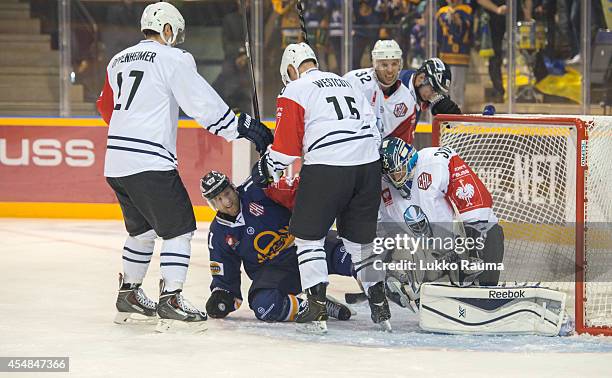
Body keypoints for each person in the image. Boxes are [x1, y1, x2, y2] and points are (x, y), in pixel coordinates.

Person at [96, 2, 274, 329]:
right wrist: (241, 127)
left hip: (116, 160)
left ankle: (130, 294)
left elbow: (106, 108)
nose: (176, 40)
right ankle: (172, 298)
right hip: (149, 158)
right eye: (174, 34)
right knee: (180, 228)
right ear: (166, 29)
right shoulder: (173, 58)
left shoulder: (117, 60)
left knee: (143, 230)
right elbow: (201, 104)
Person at [251, 42, 389, 332]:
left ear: (290, 69)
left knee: (308, 238)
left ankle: (315, 307)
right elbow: (374, 126)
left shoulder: (295, 89)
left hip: (328, 165)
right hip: (368, 166)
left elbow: (286, 150)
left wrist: (265, 168)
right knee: (358, 241)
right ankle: (379, 301)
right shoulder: (345, 82)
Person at [201, 171, 353, 322]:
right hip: (276, 271)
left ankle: (375, 293)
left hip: (304, 244)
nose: (227, 202)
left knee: (352, 254)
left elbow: (297, 193)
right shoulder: (218, 234)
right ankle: (315, 305)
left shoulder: (257, 188)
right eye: (219, 199)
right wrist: (222, 296)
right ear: (212, 204)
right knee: (265, 306)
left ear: (233, 188)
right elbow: (225, 274)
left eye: (227, 193)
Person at [377, 137, 504, 308]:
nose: (393, 179)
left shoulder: (435, 161)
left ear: (408, 160)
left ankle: (486, 293)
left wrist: (474, 251)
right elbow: (382, 237)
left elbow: (476, 202)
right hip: (429, 256)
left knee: (491, 230)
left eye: (396, 172)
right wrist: (386, 278)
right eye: (388, 174)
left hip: (458, 247)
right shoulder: (382, 187)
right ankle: (429, 294)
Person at [344, 39, 419, 144]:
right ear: (375, 64)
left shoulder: (407, 100)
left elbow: (402, 146)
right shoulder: (354, 81)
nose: (390, 70)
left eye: (394, 64)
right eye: (384, 64)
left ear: (400, 65)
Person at [399, 57, 463, 122]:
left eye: (438, 92)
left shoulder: (416, 87)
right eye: (433, 90)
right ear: (421, 78)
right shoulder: (397, 89)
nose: (433, 96)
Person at [436, 0, 473, 110]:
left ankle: (457, 112)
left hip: (460, 54)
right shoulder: (441, 12)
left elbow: (468, 29)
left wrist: (458, 21)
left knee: (458, 86)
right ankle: (445, 113)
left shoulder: (466, 10)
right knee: (444, 86)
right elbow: (438, 33)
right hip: (444, 53)